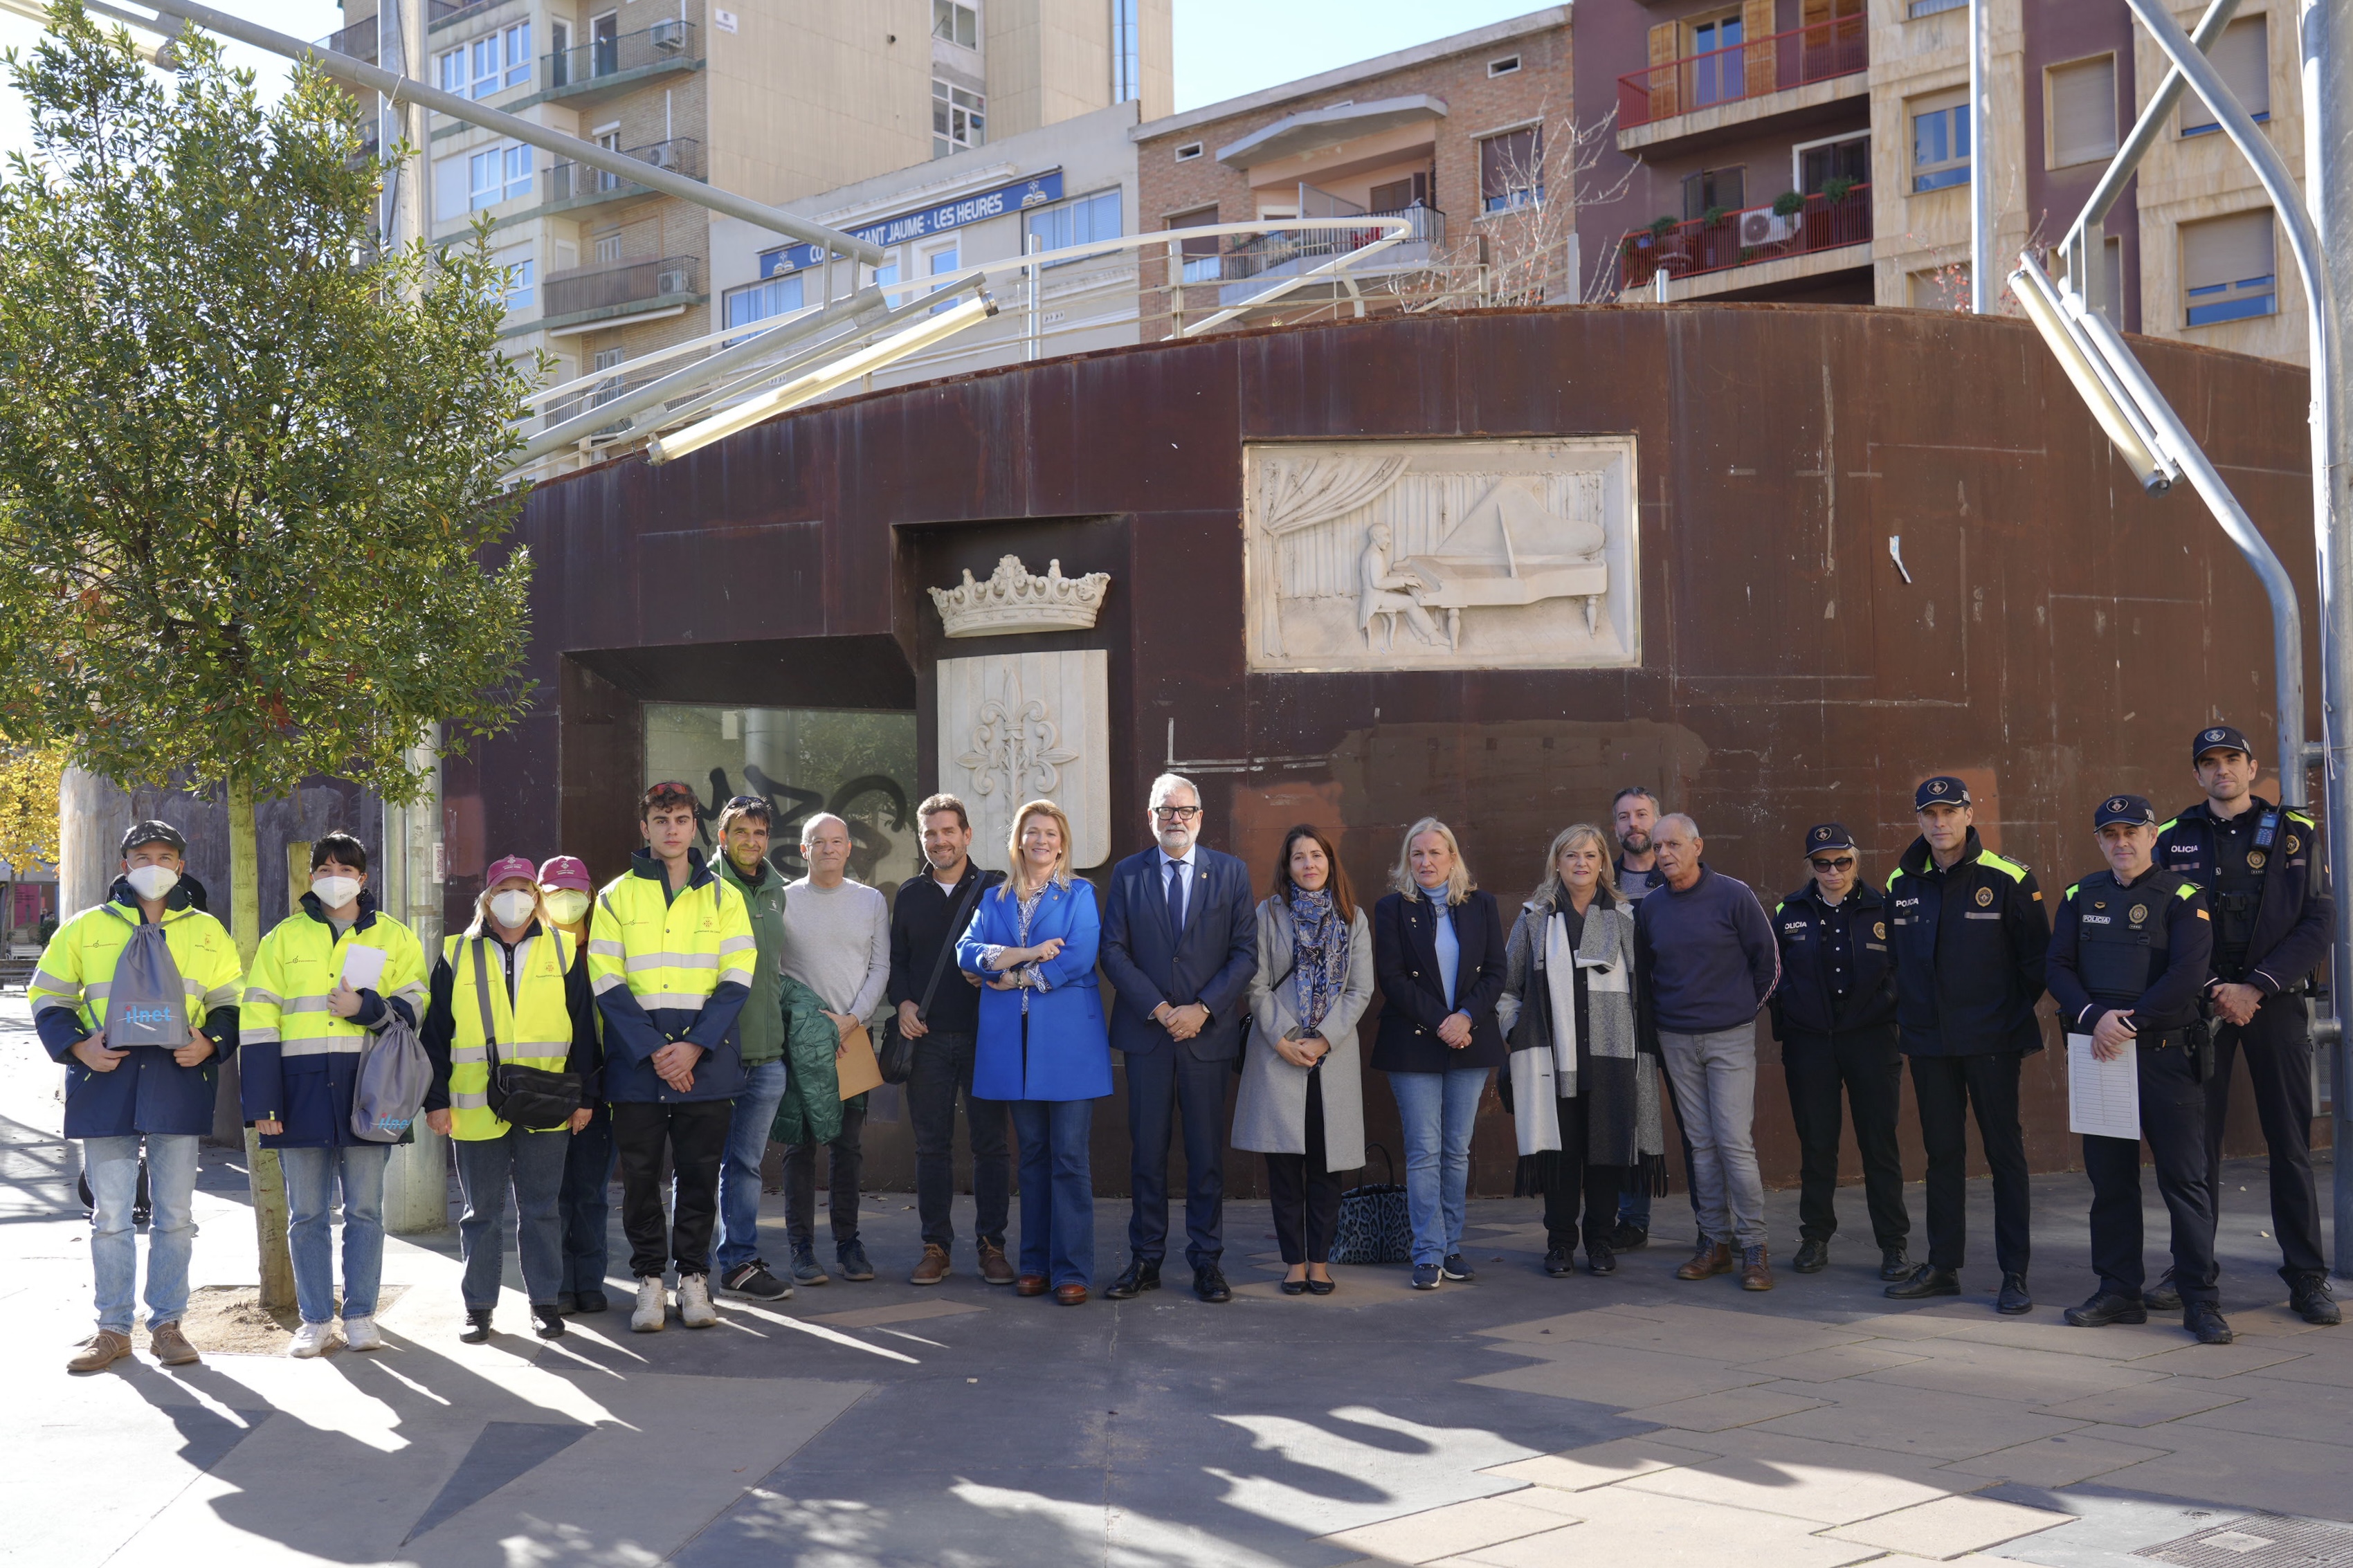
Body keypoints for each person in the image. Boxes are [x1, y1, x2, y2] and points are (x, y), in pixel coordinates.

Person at [35, 820, 242, 1373]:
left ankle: (169, 1324)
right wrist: (77, 1047)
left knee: (175, 1214)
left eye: (166, 855)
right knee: (110, 1216)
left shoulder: (207, 931)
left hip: (178, 1076)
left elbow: (231, 998)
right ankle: (112, 1328)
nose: (155, 864)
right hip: (107, 1079)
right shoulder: (85, 928)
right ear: (125, 863)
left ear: (181, 865)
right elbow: (49, 993)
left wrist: (212, 1042)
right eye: (143, 855)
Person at [2155, 724, 2338, 1325]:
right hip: (2200, 1004)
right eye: (2208, 762)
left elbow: (2319, 924)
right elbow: (2165, 927)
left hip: (2275, 1002)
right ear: (2197, 774)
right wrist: (2213, 987)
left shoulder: (2296, 833)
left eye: (2231, 759)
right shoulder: (2171, 838)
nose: (2221, 770)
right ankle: (2191, 1272)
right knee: (2193, 1148)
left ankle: (2308, 1278)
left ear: (2252, 767)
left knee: (2290, 1143)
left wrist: (2256, 985)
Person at [2048, 794, 2231, 1345]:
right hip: (2100, 1056)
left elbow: (2187, 972)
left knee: (2186, 1182)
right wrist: (2093, 1018)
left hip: (2165, 1059)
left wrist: (2124, 1025)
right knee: (2111, 1183)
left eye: (2133, 832)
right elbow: (2056, 965)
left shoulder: (2182, 896)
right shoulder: (2081, 895)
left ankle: (2200, 1299)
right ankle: (2119, 1291)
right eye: (2111, 834)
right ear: (2100, 840)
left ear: (2154, 837)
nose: (2121, 843)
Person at [242, 832, 428, 1358]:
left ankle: (362, 1315)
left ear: (363, 878)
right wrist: (263, 1105)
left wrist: (368, 1009)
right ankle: (317, 1319)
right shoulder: (281, 939)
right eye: (322, 867)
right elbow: (258, 1021)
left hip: (370, 1089)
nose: (333, 877)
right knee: (307, 1215)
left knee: (366, 1210)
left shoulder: (395, 936)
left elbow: (418, 1005)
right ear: (310, 877)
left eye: (344, 869)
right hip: (297, 1093)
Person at [587, 781, 756, 1333]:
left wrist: (692, 1046)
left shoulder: (724, 897)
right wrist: (658, 1051)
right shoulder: (615, 896)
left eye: (681, 819)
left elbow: (737, 979)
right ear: (646, 828)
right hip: (639, 1067)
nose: (672, 829)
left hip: (704, 1065)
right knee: (638, 1179)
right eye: (661, 820)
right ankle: (650, 1283)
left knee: (701, 1177)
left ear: (694, 826)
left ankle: (695, 1280)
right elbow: (606, 979)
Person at [1884, 776, 2049, 1314]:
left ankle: (2014, 1274)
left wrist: (1997, 1015)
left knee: (2005, 1155)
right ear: (1918, 820)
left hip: (1992, 1041)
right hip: (1930, 1044)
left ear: (1969, 813)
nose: (1940, 823)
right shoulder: (1901, 881)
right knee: (1942, 1156)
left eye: (1950, 812)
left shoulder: (2009, 878)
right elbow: (1897, 964)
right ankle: (1943, 1267)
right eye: (1929, 814)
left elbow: (2035, 965)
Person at [419, 856, 600, 1343]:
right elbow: (436, 1035)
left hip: (547, 1100)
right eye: (505, 888)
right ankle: (478, 1308)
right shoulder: (456, 952)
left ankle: (545, 1304)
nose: (514, 898)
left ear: (537, 898)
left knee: (541, 1208)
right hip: (476, 1104)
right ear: (487, 896)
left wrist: (586, 1097)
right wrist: (435, 1101)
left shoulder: (562, 949)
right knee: (481, 1212)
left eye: (524, 888)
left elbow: (584, 1029)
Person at [1099, 773, 1260, 1305]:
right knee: (1146, 1154)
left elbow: (1245, 954)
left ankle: (1207, 1263)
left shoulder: (1231, 873)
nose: (1176, 819)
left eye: (1185, 811)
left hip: (1206, 1037)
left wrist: (1204, 1008)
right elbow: (1114, 952)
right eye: (1166, 810)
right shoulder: (1127, 874)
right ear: (1151, 817)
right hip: (1148, 1036)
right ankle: (1145, 1260)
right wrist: (1163, 1009)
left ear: (1200, 817)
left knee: (1204, 1156)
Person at [958, 799, 1110, 1304]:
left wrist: (1013, 976)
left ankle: (1072, 1271)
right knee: (1034, 1158)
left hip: (1067, 1046)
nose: (1041, 840)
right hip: (1013, 1047)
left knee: (1068, 1156)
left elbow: (1082, 956)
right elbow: (968, 951)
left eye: (1050, 833)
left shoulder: (1080, 893)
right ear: (1018, 841)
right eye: (1032, 832)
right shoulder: (995, 897)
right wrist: (1022, 957)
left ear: (1062, 843)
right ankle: (1035, 1264)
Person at [1499, 824, 1662, 1281]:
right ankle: (1560, 1245)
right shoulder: (1534, 918)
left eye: (1591, 856)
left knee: (1606, 1156)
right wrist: (1517, 1033)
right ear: (1557, 862)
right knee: (1562, 1157)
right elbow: (1507, 989)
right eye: (1572, 855)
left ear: (1603, 864)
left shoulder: (1626, 918)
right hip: (1554, 1060)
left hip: (1613, 1060)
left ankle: (1600, 1241)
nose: (1582, 864)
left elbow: (1643, 992)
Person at [1635, 814, 1781, 1291]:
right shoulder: (1652, 907)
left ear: (1698, 845)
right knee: (1701, 1145)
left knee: (1734, 1142)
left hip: (1729, 1037)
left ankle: (1754, 1246)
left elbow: (1770, 963)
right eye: (1658, 847)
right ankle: (1715, 1244)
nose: (1665, 853)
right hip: (1676, 1040)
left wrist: (1740, 1013)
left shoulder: (1733, 895)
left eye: (1674, 844)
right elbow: (1646, 975)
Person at [1769, 823, 1911, 1282]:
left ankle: (1893, 1245)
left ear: (1856, 861)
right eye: (1822, 863)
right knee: (1817, 1143)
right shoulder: (1788, 912)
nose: (1833, 871)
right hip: (1810, 1043)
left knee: (1880, 1144)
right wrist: (1793, 1016)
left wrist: (1881, 1010)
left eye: (1842, 862)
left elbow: (1903, 971)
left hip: (1871, 1041)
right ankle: (1815, 1238)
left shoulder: (1883, 909)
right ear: (1811, 866)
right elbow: (1772, 973)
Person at [1235, 825, 1373, 1295]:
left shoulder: (1352, 918)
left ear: (1330, 863)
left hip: (1331, 1058)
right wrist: (1285, 1039)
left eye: (1317, 856)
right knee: (1285, 1166)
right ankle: (1293, 1262)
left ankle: (1320, 1262)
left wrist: (1324, 1039)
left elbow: (1361, 989)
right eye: (1299, 857)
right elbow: (1255, 984)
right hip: (1280, 1055)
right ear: (1287, 866)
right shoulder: (1268, 914)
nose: (1309, 864)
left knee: (1327, 1166)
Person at [1372, 817, 1507, 1291]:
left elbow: (1496, 972)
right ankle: (1427, 1252)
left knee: (1456, 1151)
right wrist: (1443, 1022)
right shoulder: (1392, 909)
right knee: (1425, 1152)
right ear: (1407, 861)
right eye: (1417, 854)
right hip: (1414, 1043)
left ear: (1453, 858)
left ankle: (1452, 1247)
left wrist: (1465, 1017)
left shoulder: (1481, 905)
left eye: (1435, 853)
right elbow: (1390, 979)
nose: (1426, 862)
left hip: (1469, 1041)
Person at [891, 793, 1011, 1286]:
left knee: (991, 1146)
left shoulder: (997, 890)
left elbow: (1013, 950)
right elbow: (897, 963)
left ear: (966, 835)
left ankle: (992, 1246)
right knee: (932, 1147)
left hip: (987, 1035)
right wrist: (902, 1004)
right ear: (922, 839)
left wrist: (996, 969)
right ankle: (935, 1246)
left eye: (948, 831)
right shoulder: (909, 894)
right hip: (928, 1040)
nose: (939, 841)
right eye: (930, 834)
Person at [776, 810, 891, 1286]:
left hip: (852, 1040)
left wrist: (850, 1020)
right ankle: (802, 1249)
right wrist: (812, 1024)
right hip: (801, 1046)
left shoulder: (871, 902)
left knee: (848, 1147)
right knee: (799, 1149)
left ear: (849, 848)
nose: (828, 848)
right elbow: (775, 973)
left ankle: (849, 1243)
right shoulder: (780, 901)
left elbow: (880, 968)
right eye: (817, 841)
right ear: (804, 850)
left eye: (836, 840)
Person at [706, 797, 795, 1304]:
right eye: (742, 831)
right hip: (714, 1052)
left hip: (767, 1055)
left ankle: (739, 1262)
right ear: (723, 837)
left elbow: (777, 971)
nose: (752, 841)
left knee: (745, 1165)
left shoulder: (778, 890)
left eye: (760, 832)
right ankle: (691, 1267)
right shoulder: (706, 888)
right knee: (699, 1164)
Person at [1609, 785, 1695, 1253]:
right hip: (1624, 1023)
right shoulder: (1603, 884)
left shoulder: (1682, 880)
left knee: (1696, 1126)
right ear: (1615, 827)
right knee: (1631, 1125)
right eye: (1624, 817)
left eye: (1642, 815)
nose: (1634, 824)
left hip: (1680, 1018)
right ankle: (1633, 1219)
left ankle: (1712, 1223)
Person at [538, 855, 613, 1315]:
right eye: (555, 893)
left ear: (589, 896)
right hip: (542, 1091)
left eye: (575, 892)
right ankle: (557, 1282)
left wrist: (591, 1094)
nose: (567, 902)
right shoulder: (530, 950)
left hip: (598, 1090)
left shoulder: (607, 947)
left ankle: (590, 1279)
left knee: (590, 1192)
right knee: (550, 1195)